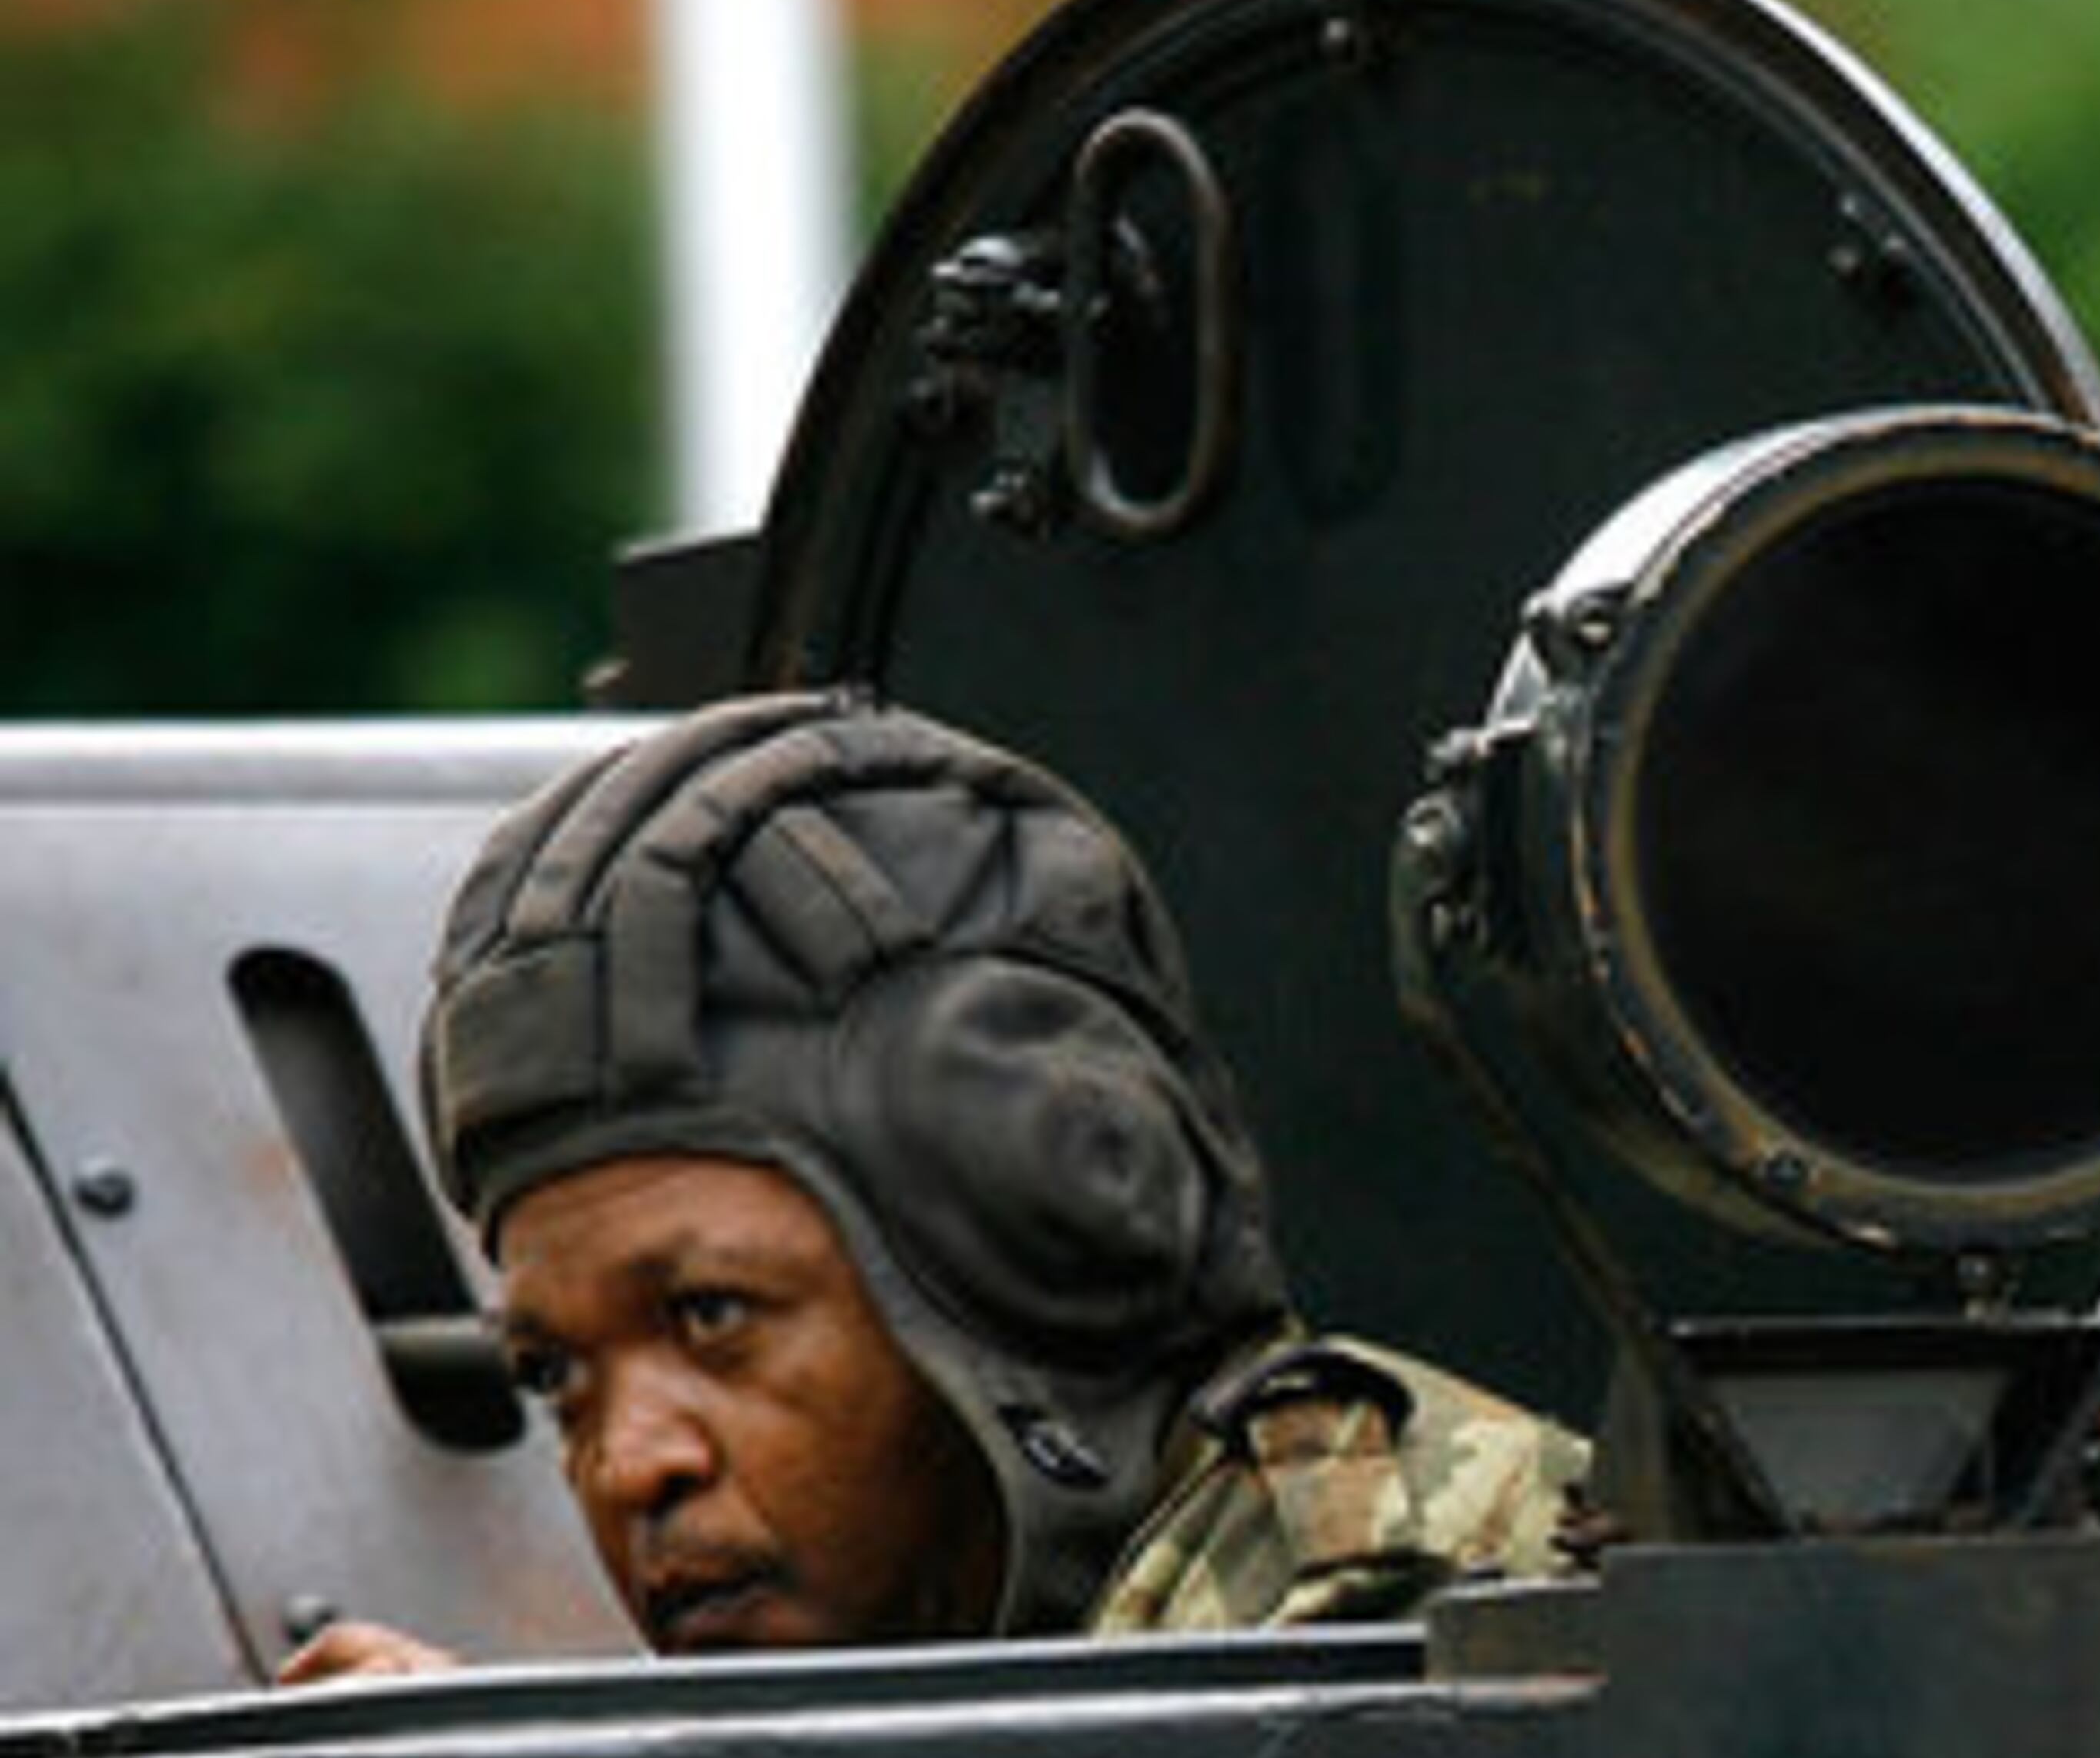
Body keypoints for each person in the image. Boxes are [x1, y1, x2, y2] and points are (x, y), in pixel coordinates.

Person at [281, 691, 1587, 1679]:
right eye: (555, 1378)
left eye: (711, 1316)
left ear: (1030, 1239)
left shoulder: (1399, 1590)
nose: (631, 1466)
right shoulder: (954, 1670)